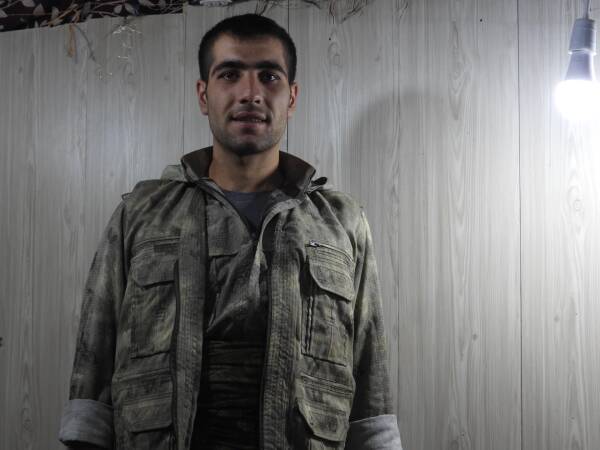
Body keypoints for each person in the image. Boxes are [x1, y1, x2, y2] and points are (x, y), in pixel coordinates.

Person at [58, 13, 402, 450]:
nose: (250, 93)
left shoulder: (342, 222)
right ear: (204, 95)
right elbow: (96, 347)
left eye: (269, 76)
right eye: (230, 74)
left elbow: (369, 361)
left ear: (292, 98)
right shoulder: (142, 213)